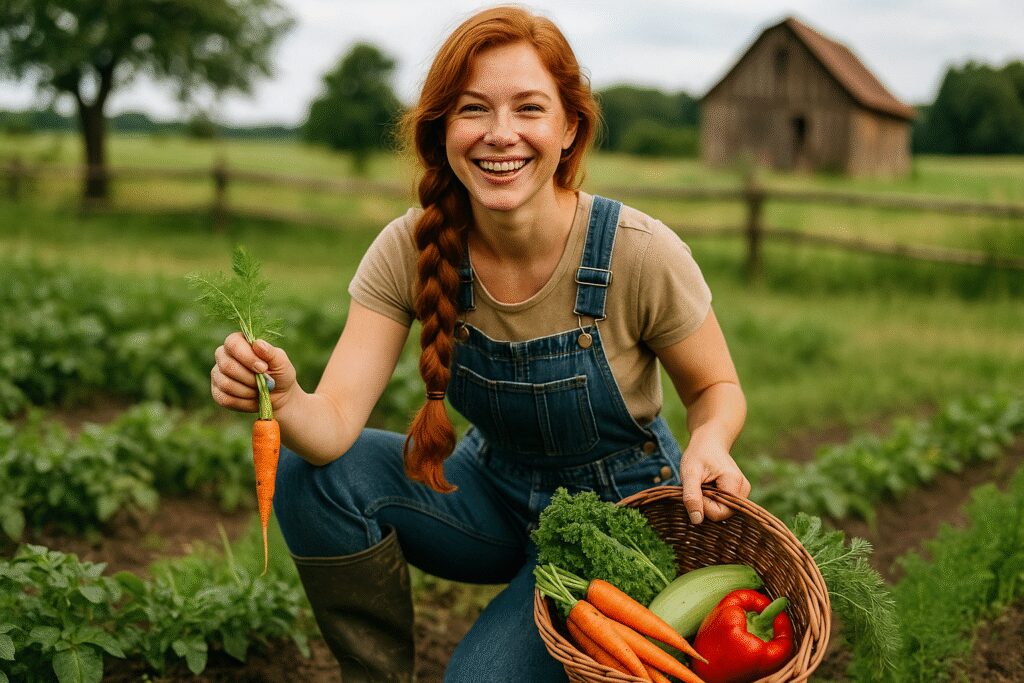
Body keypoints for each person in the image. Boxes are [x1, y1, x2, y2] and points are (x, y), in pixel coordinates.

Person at [209, 5, 750, 681]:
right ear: (443, 129)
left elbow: (716, 387)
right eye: (473, 109)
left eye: (528, 108)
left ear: (568, 127)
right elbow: (332, 427)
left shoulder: (637, 252)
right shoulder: (409, 249)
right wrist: (286, 398)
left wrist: (710, 439)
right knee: (310, 473)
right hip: (490, 494)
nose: (500, 134)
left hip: (617, 523)